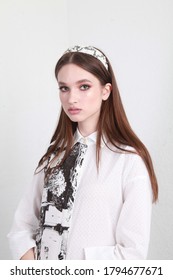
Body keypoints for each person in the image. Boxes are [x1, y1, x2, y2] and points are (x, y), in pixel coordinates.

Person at [8, 45, 158, 260]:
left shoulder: (128, 160)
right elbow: (22, 227)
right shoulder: (53, 158)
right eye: (64, 88)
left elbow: (132, 253)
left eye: (84, 86)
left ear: (105, 91)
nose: (72, 98)